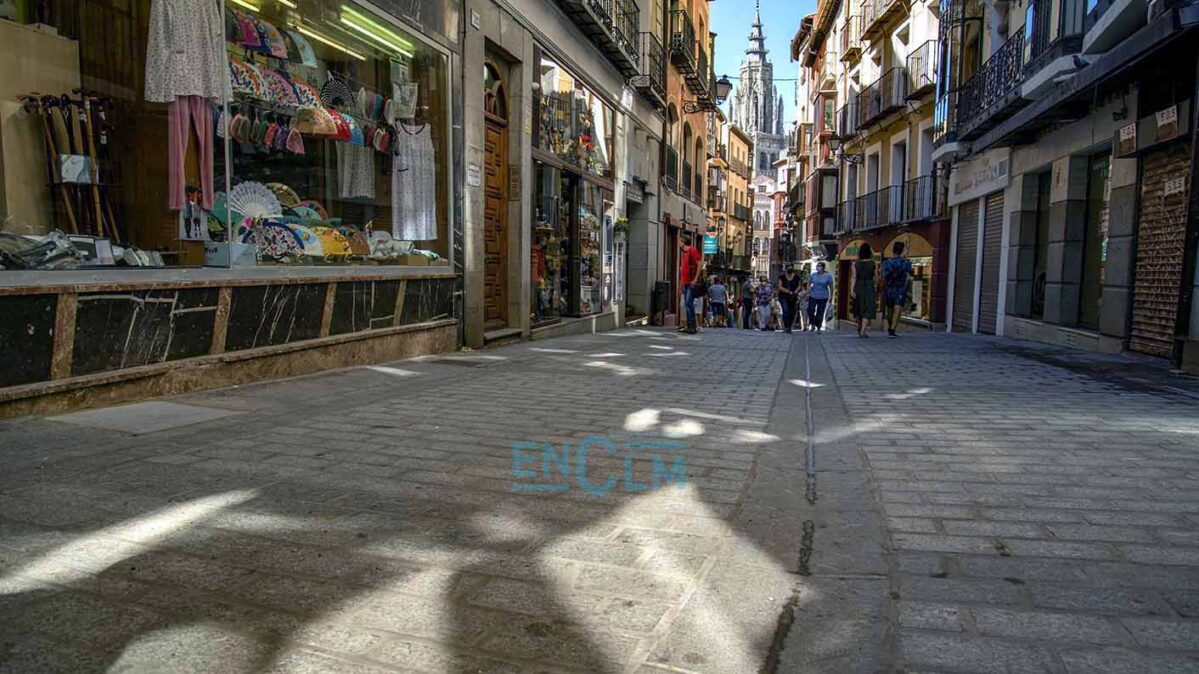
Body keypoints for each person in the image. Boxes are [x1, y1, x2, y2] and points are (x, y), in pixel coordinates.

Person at [881, 241, 914, 338]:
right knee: (898, 307)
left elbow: (883, 275)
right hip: (900, 288)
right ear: (902, 250)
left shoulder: (887, 263)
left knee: (890, 309)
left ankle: (891, 327)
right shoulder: (905, 262)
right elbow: (911, 272)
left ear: (893, 250)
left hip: (889, 287)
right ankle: (892, 329)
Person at [850, 242, 878, 338]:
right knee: (867, 309)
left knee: (858, 308)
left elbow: (853, 277)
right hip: (869, 287)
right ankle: (863, 331)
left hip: (859, 286)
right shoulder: (873, 263)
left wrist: (851, 289)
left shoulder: (855, 264)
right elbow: (876, 277)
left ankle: (859, 326)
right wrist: (876, 286)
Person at [678, 232, 703, 334]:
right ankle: (690, 325)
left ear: (684, 242)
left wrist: (695, 279)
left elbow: (700, 263)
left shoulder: (692, 251)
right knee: (688, 304)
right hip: (687, 282)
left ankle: (692, 326)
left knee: (689, 304)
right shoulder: (685, 253)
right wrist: (681, 285)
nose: (679, 244)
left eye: (680, 241)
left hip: (690, 282)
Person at [807, 261, 833, 332]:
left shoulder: (828, 276)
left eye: (820, 266)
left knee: (820, 312)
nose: (818, 267)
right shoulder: (813, 275)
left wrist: (831, 296)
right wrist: (808, 289)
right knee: (811, 310)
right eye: (817, 266)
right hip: (813, 295)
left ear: (823, 267)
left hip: (823, 296)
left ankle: (818, 326)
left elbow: (831, 287)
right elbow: (809, 282)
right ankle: (812, 323)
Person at [776, 266, 802, 333]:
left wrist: (796, 291)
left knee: (791, 312)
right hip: (783, 296)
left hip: (793, 297)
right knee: (785, 310)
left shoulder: (797, 277)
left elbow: (799, 286)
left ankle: (789, 327)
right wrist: (788, 291)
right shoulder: (782, 277)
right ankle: (786, 327)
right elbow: (780, 286)